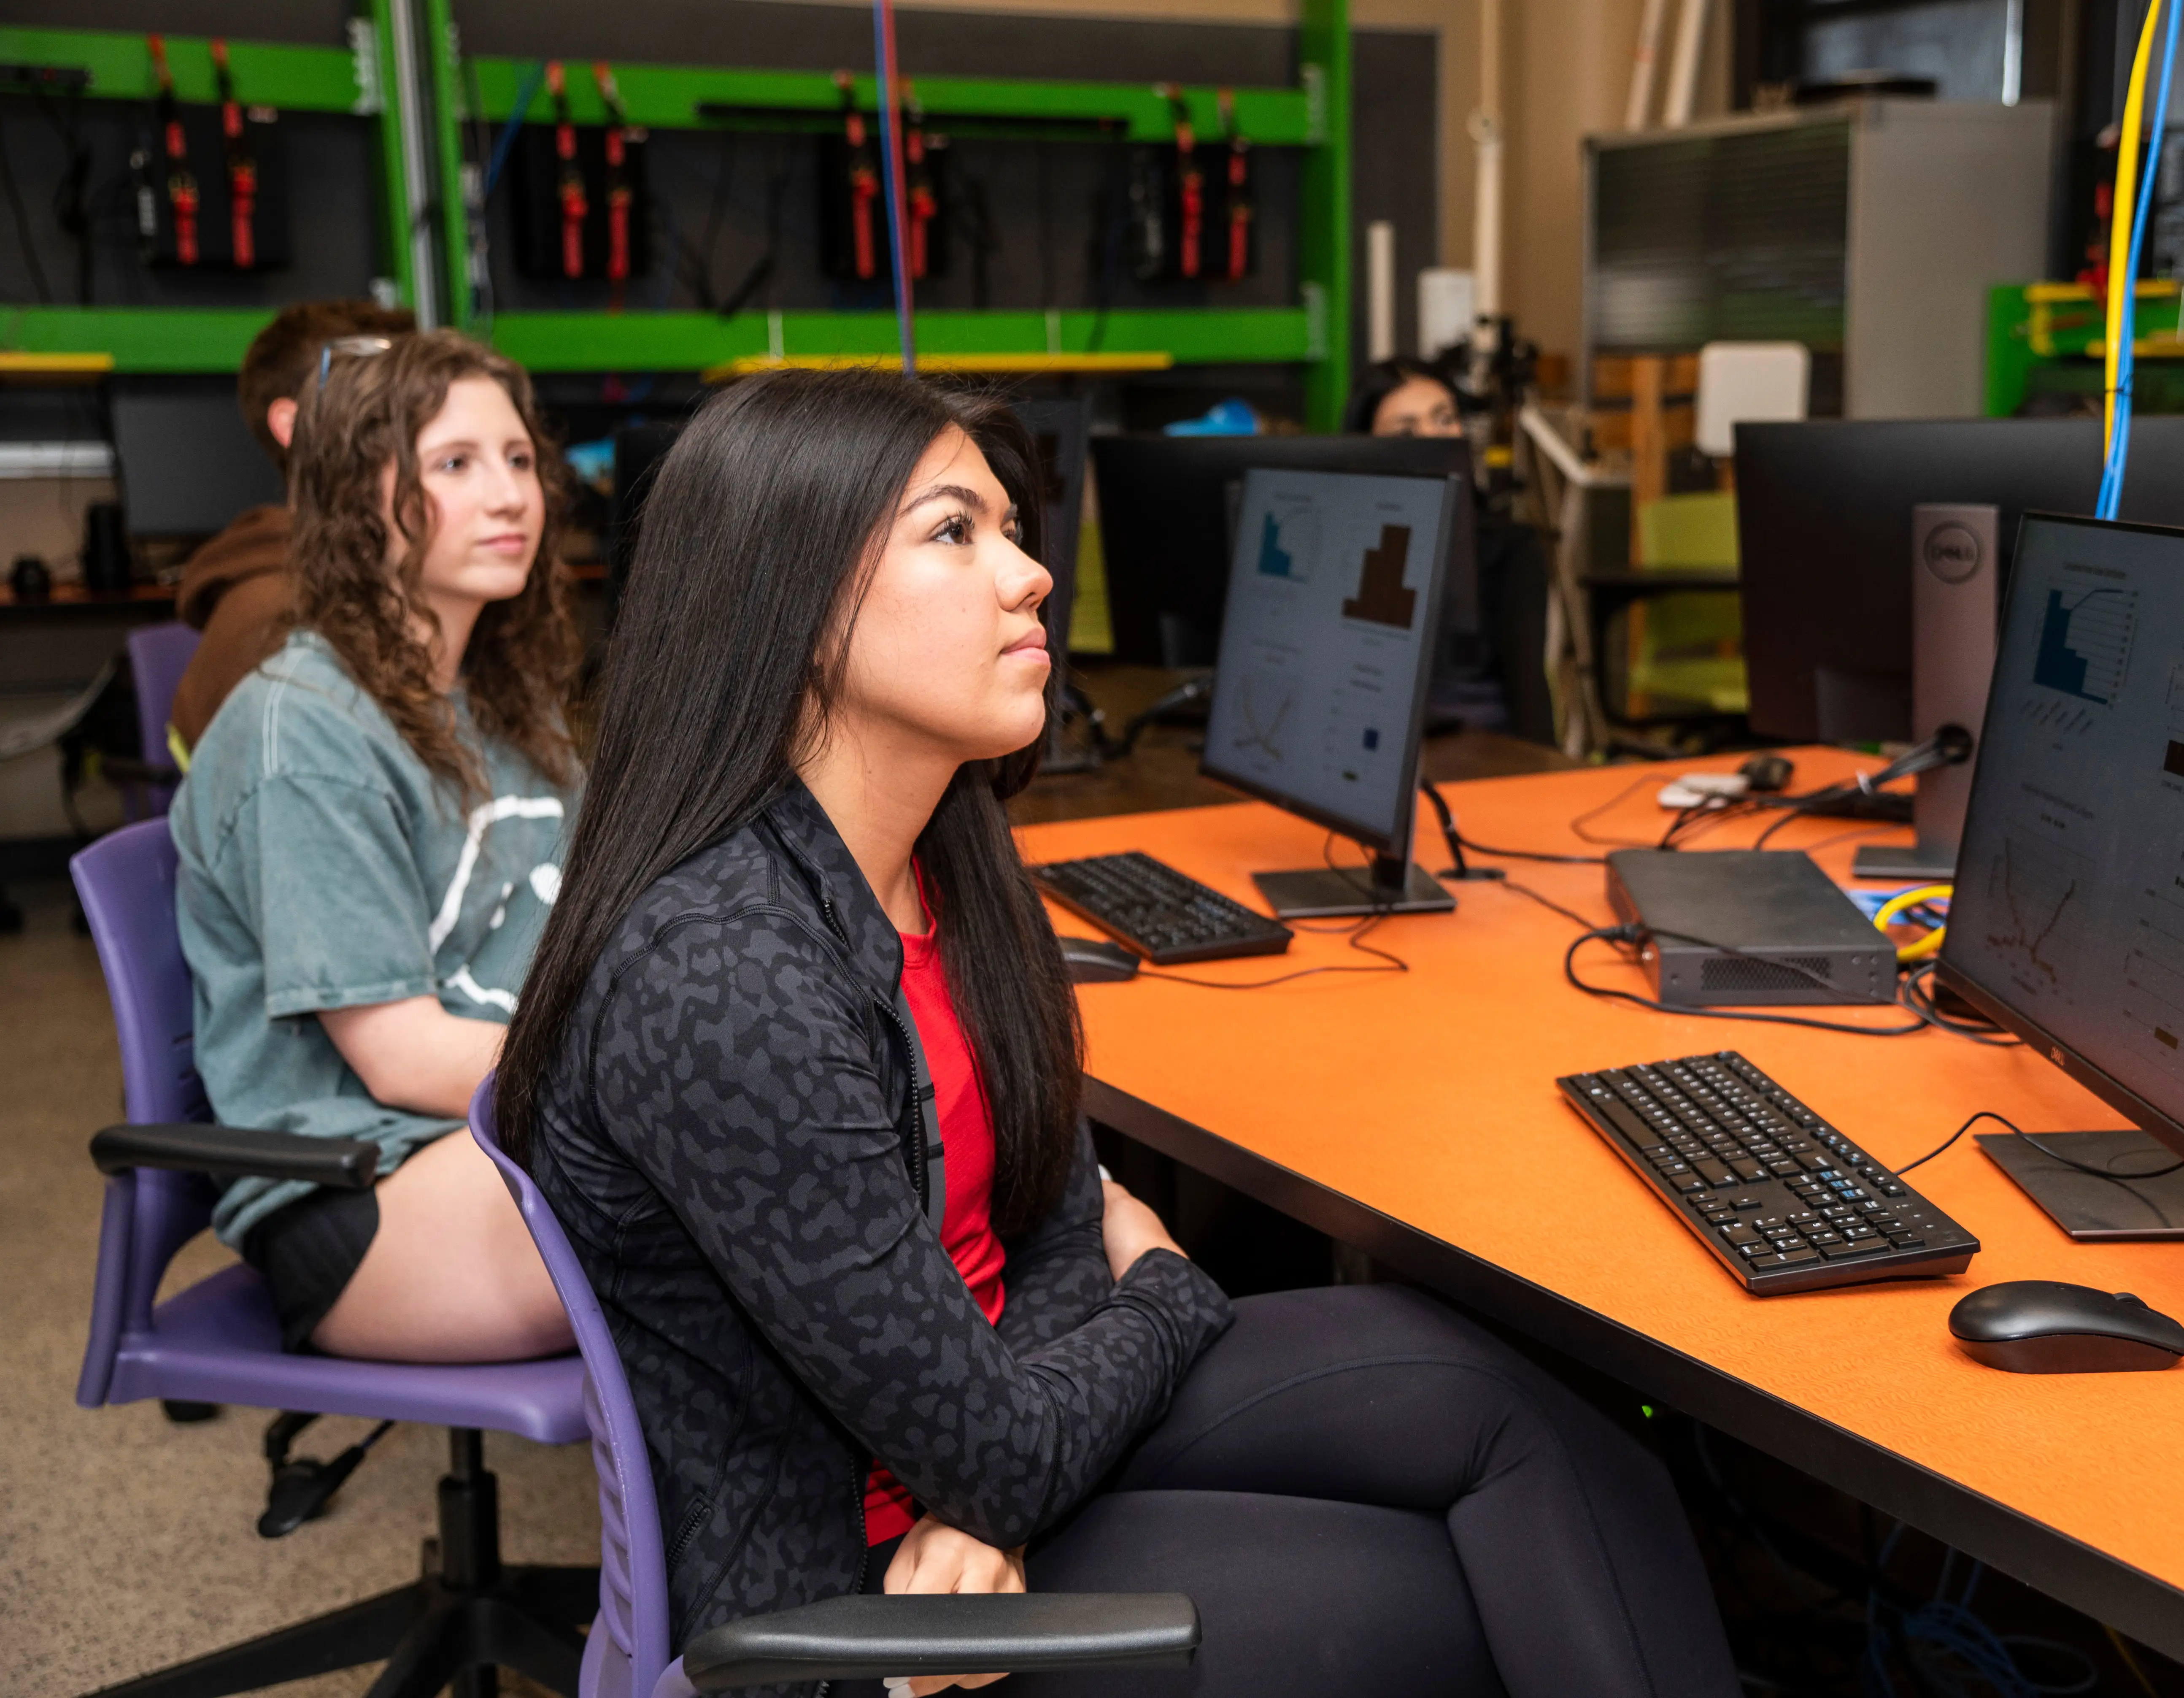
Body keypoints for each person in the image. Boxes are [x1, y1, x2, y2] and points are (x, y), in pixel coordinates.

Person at [496, 368, 1737, 1697]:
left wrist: (1003, 1452)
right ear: (793, 603)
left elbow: (1052, 1211)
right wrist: (1161, 1295)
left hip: (990, 1438)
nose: (1031, 575)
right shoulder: (721, 975)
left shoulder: (944, 853)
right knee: (1474, 1597)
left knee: (1549, 1426)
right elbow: (1037, 1372)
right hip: (859, 1587)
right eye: (954, 532)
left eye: (1011, 529)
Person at [170, 330, 580, 1363]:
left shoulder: (502, 694)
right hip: (363, 1185)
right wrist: (639, 1073)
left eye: (519, 458)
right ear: (360, 499)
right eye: (455, 464)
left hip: (496, 1137)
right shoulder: (304, 730)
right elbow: (403, 1057)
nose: (509, 496)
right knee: (741, 1178)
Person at [169, 298, 417, 763]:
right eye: (388, 410)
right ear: (295, 425)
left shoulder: (388, 582)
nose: (422, 430)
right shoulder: (274, 623)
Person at [1345, 356, 1555, 744]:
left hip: (1477, 748)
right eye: (1406, 432)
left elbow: (1529, 695)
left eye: (1444, 419)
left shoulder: (1509, 547)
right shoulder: (1345, 544)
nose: (1435, 438)